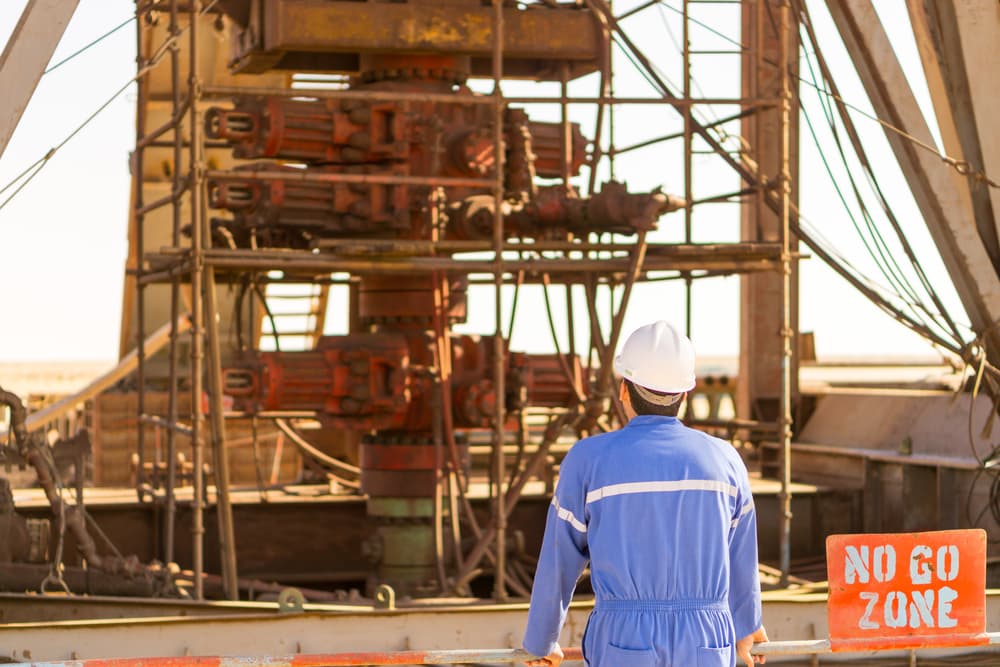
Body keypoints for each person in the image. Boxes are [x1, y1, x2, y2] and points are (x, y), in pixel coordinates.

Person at [522, 320, 768, 667]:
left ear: (625, 390)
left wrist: (542, 639)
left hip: (624, 637)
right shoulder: (725, 459)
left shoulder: (588, 460)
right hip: (707, 638)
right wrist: (748, 624)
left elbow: (559, 560)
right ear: (685, 394)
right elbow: (742, 555)